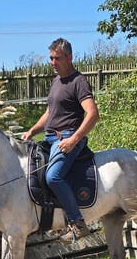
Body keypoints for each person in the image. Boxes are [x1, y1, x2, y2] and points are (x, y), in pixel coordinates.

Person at [21, 38, 100, 243]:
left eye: (57, 58)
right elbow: (50, 112)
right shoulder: (56, 81)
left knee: (53, 177)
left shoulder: (78, 81)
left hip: (68, 138)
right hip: (49, 138)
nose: (52, 62)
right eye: (51, 58)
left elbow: (92, 114)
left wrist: (73, 140)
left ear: (69, 57)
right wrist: (33, 130)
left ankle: (78, 223)